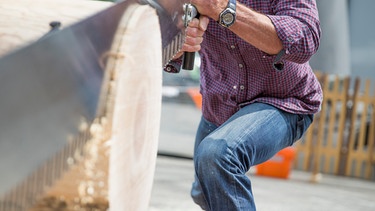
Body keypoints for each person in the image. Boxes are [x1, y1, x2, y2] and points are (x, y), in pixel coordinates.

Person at [164, 0, 322, 210]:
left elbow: (305, 39)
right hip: (220, 105)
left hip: (283, 100)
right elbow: (157, 42)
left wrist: (223, 9)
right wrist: (177, 45)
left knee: (218, 155)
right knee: (204, 192)